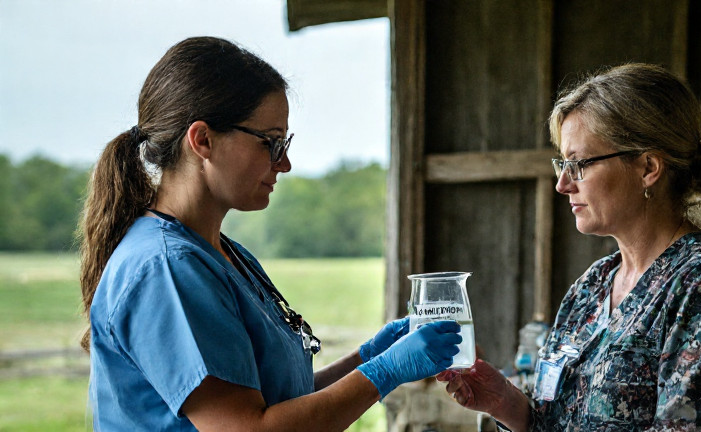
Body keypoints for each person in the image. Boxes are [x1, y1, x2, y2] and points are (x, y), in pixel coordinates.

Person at [78, 36, 462, 431]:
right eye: (271, 142)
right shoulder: (167, 268)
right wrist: (387, 371)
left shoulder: (224, 254)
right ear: (203, 140)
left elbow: (277, 404)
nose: (286, 163)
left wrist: (368, 358)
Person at [437, 63, 701, 431]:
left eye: (579, 164)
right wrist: (508, 404)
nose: (562, 184)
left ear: (648, 168)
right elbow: (556, 421)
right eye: (561, 164)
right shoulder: (592, 285)